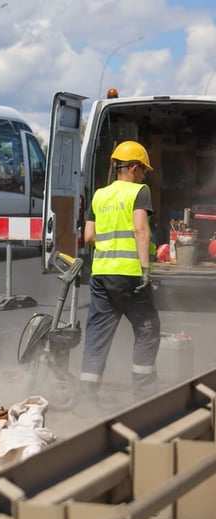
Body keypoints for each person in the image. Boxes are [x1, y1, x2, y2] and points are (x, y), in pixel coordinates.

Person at [79, 140, 161, 402]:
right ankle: (145, 393)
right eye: (144, 171)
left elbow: (89, 235)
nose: (144, 176)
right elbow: (140, 229)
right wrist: (146, 269)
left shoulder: (99, 195)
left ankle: (87, 394)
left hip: (101, 274)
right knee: (147, 329)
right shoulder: (140, 192)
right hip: (129, 275)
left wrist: (109, 244)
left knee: (97, 333)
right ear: (134, 168)